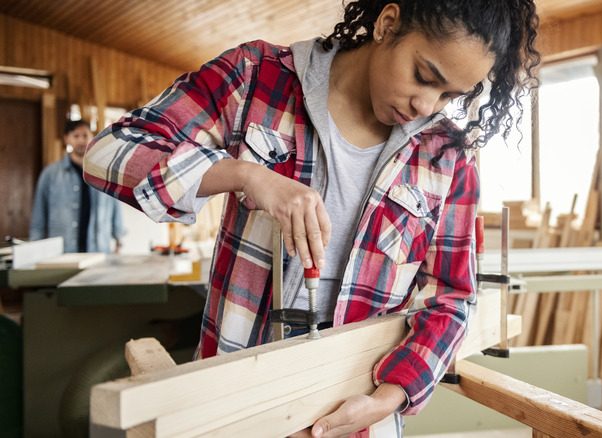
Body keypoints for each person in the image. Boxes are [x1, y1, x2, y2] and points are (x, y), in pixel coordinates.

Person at [84, 0, 540, 436]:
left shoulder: (448, 159)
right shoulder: (256, 79)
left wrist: (391, 397)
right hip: (236, 409)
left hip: (358, 418)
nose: (427, 105)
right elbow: (109, 153)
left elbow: (452, 298)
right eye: (424, 76)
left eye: (448, 96)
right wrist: (244, 174)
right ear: (387, 24)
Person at [30, 119, 125, 253]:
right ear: (66, 139)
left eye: (85, 135)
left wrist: (119, 242)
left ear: (93, 138)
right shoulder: (50, 175)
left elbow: (115, 209)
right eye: (76, 136)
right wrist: (36, 250)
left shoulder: (105, 174)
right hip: (62, 253)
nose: (81, 141)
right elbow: (38, 218)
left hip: (98, 251)